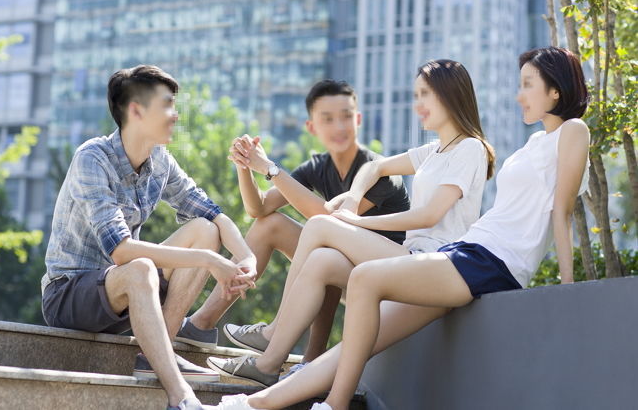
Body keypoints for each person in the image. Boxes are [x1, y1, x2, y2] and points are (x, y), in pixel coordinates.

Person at [211, 46, 590, 410]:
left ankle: (323, 391)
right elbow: (374, 167)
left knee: (357, 271)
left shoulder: (572, 131)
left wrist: (569, 289)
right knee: (349, 323)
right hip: (465, 254)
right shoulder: (534, 141)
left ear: (555, 90)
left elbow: (562, 211)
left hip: (489, 261)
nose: (519, 94)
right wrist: (353, 197)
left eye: (527, 84)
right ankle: (257, 401)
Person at [206, 59, 495, 387]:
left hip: (435, 265)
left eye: (424, 94)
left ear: (448, 93)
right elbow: (375, 168)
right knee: (322, 260)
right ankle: (269, 364)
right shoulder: (434, 151)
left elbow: (429, 215)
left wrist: (358, 222)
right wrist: (355, 197)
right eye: (416, 95)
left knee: (319, 226)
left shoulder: (470, 148)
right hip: (409, 260)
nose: (417, 104)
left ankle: (273, 339)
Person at [41, 65, 257, 410]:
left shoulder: (160, 160)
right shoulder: (93, 159)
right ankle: (181, 398)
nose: (175, 115)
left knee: (204, 229)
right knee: (140, 266)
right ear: (137, 111)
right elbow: (122, 252)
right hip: (70, 295)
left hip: (127, 296)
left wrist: (246, 257)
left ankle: (156, 352)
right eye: (167, 105)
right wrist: (209, 260)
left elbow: (212, 213)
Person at [174, 80, 410, 364]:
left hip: (382, 276)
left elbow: (330, 221)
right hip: (342, 263)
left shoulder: (378, 170)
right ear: (312, 127)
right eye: (328, 119)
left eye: (347, 116)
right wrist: (245, 167)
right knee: (269, 226)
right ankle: (201, 324)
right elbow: (259, 209)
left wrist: (270, 169)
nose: (339, 126)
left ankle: (308, 357)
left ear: (358, 119)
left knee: (326, 248)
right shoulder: (318, 167)